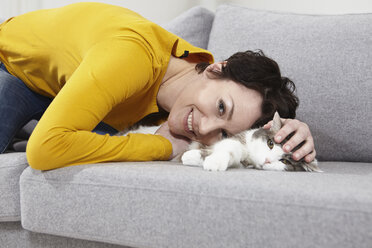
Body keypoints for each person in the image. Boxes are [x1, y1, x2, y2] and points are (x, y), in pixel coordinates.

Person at [0, 2, 316, 170]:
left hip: (54, 91)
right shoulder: (132, 56)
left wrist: (288, 133)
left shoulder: (180, 93)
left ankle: (25, 129)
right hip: (9, 66)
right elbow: (44, 151)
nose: (204, 128)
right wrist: (162, 147)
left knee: (103, 136)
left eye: (222, 133)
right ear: (216, 68)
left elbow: (245, 137)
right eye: (221, 107)